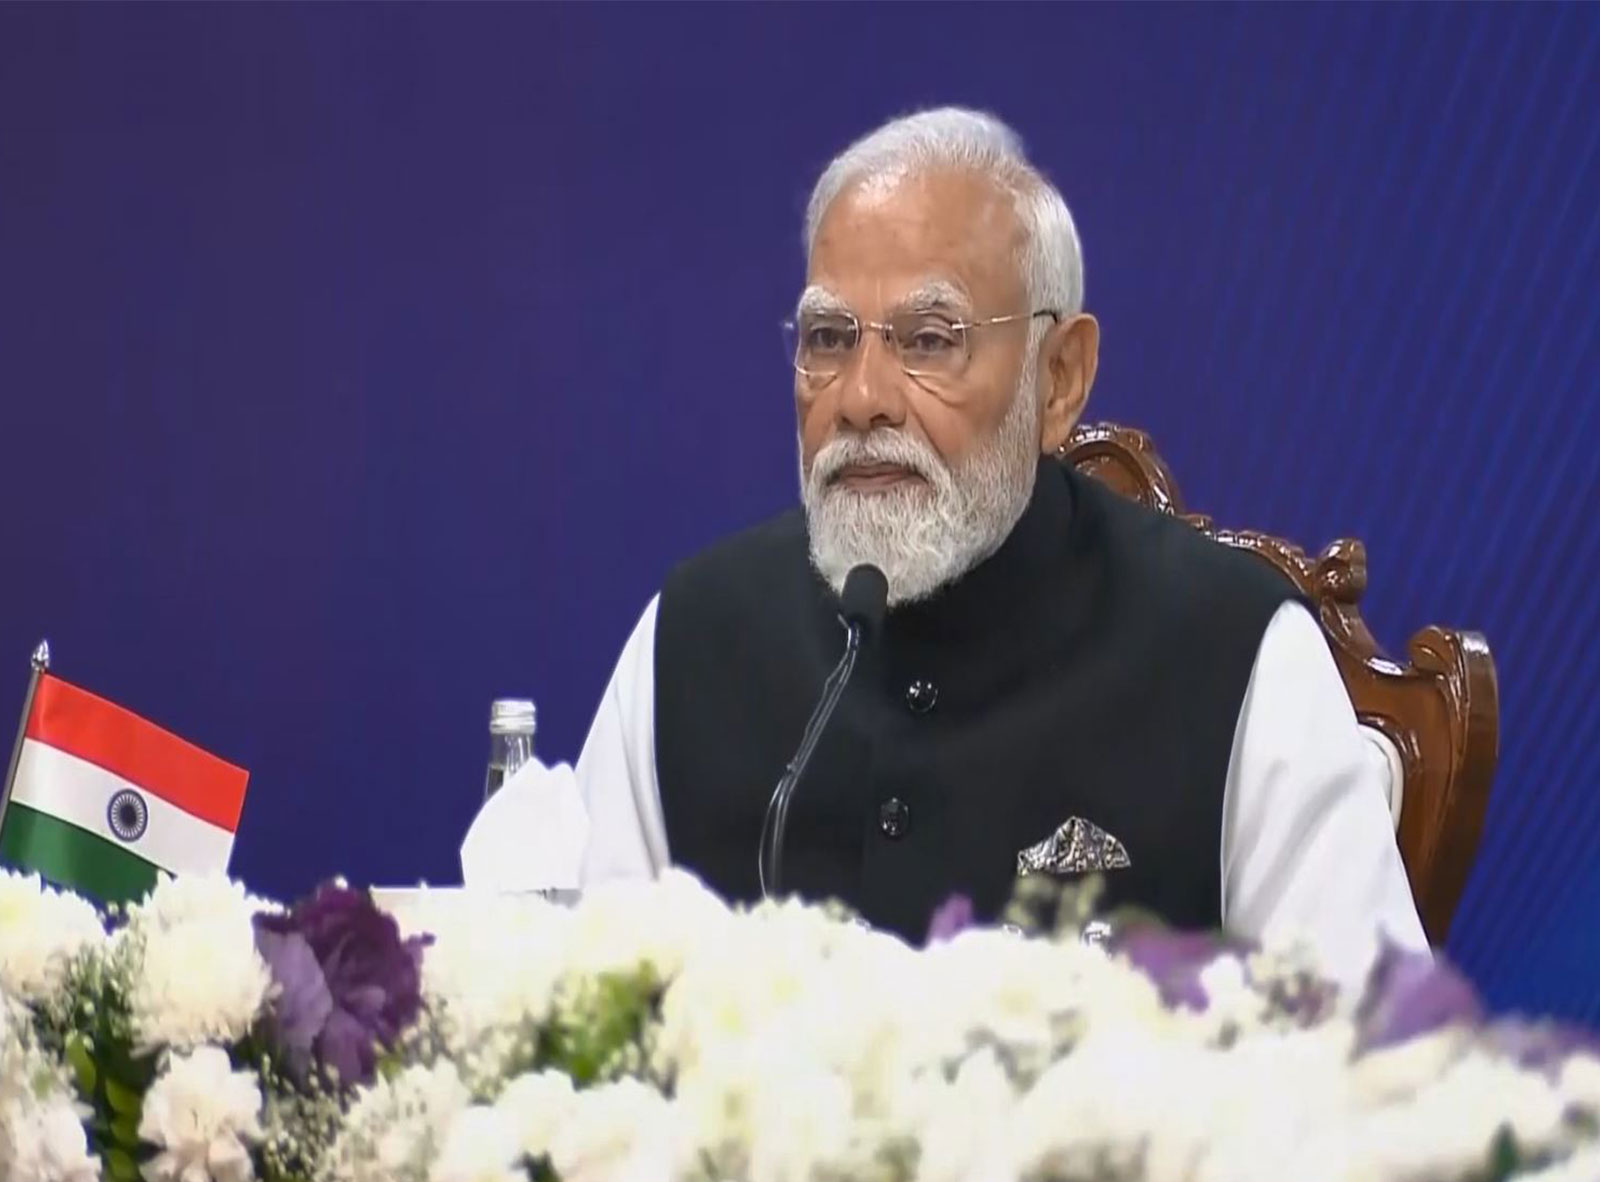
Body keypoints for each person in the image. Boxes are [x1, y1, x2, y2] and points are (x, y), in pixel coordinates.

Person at [503, 107, 1426, 986]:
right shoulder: (693, 641)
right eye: (828, 337)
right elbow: (580, 1039)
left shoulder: (1234, 653)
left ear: (1058, 378)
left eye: (929, 340)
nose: (860, 397)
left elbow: (1377, 1074)